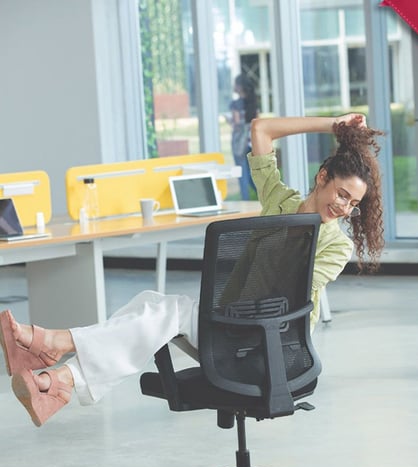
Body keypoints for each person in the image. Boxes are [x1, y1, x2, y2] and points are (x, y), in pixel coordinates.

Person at [0, 112, 384, 427]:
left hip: (270, 346)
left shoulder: (337, 244)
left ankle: (53, 350)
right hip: (231, 326)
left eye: (353, 203)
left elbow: (284, 294)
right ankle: (59, 381)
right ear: (322, 178)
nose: (345, 207)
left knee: (166, 311)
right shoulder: (280, 200)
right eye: (341, 194)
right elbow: (261, 129)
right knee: (150, 306)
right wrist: (333, 125)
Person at [229, 74, 258, 200]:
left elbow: (236, 124)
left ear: (240, 87)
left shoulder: (235, 104)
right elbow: (257, 122)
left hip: (239, 143)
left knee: (241, 174)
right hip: (251, 142)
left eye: (235, 83)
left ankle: (245, 201)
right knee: (252, 174)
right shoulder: (253, 103)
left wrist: (228, 121)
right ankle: (261, 198)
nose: (234, 86)